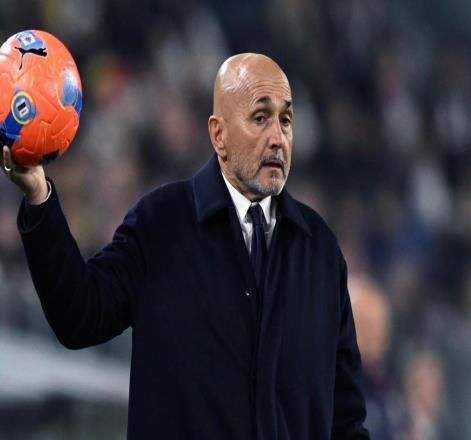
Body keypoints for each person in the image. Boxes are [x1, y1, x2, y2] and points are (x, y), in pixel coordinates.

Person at [2, 53, 370, 439]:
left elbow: (346, 420)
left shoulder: (320, 251)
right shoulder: (161, 223)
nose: (277, 137)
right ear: (218, 135)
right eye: (261, 118)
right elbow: (80, 315)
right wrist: (40, 199)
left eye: (286, 120)